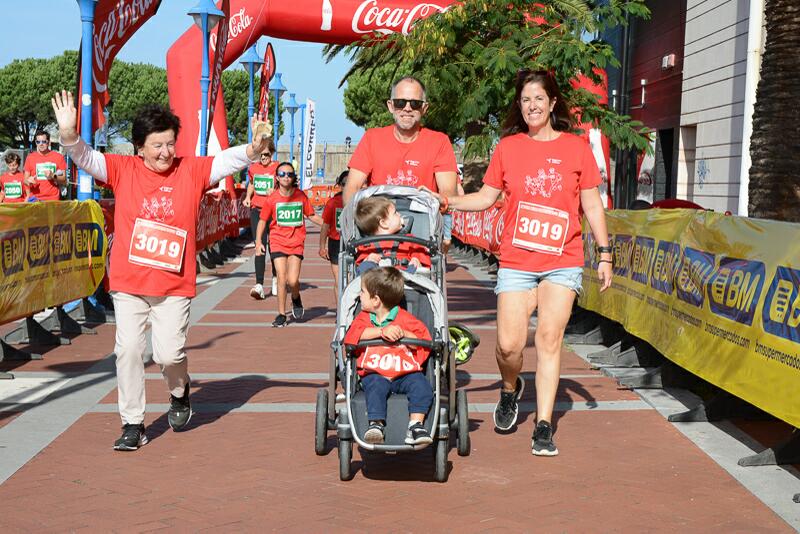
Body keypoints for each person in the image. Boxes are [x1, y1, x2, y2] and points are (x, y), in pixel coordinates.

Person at [51, 90, 272, 451]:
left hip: (173, 286)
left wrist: (252, 148)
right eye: (157, 146)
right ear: (139, 147)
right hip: (129, 282)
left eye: (170, 144)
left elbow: (225, 162)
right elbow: (86, 158)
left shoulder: (191, 170)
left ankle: (179, 390)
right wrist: (69, 135)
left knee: (169, 354)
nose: (165, 152)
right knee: (129, 351)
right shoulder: (123, 170)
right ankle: (133, 424)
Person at [427, 70, 613, 456]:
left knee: (549, 338)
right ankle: (510, 388)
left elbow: (592, 204)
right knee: (509, 347)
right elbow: (486, 197)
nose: (532, 106)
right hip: (516, 262)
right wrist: (448, 202)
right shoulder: (508, 147)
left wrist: (605, 252)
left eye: (539, 99)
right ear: (520, 105)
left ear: (553, 103)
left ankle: (543, 426)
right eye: (525, 100)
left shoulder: (577, 148)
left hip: (563, 259)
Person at [342, 267, 433, 445]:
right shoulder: (363, 318)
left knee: (422, 386)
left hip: (404, 372)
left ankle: (416, 425)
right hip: (375, 371)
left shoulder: (406, 319)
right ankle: (375, 424)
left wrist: (405, 334)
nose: (359, 296)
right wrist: (381, 331)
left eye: (362, 292)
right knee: (375, 386)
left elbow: (424, 340)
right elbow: (353, 336)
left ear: (375, 300)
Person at [342, 76, 458, 204]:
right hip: (380, 221)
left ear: (424, 108)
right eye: (400, 103)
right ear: (391, 106)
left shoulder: (439, 142)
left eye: (415, 104)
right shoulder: (372, 138)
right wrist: (354, 217)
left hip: (423, 220)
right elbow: (352, 187)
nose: (407, 108)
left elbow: (448, 193)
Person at [254, 162, 323, 327]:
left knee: (293, 281)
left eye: (290, 174)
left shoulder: (300, 196)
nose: (286, 177)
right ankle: (281, 314)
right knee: (281, 278)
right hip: (277, 241)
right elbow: (262, 221)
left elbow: (311, 216)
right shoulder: (272, 199)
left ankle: (296, 297)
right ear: (277, 177)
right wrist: (258, 242)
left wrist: (330, 225)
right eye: (283, 174)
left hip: (296, 242)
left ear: (294, 178)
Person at [354, 196, 431, 275]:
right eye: (395, 213)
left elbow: (421, 254)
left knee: (415, 269)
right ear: (384, 223)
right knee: (365, 266)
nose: (399, 214)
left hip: (404, 277)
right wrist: (369, 259)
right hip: (377, 279)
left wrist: (416, 259)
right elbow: (359, 265)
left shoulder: (409, 240)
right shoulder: (367, 245)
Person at [243, 141, 279, 299]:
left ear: (272, 154)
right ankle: (259, 284)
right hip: (257, 210)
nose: (263, 157)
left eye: (267, 154)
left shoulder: (278, 168)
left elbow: (288, 186)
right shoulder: (253, 168)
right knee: (259, 245)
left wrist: (276, 190)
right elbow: (251, 183)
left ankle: (276, 278)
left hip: (273, 212)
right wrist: (248, 197)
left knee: (275, 247)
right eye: (261, 155)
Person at [319, 170, 348, 300]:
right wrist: (321, 246)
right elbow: (325, 226)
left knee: (352, 279)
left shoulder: (361, 201)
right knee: (339, 280)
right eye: (344, 184)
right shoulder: (333, 203)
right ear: (340, 186)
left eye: (350, 183)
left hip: (354, 243)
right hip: (336, 243)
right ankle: (339, 312)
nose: (347, 187)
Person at [23, 130, 67, 201]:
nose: (41, 144)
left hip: (52, 199)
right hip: (34, 199)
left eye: (44, 141)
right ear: (36, 143)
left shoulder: (58, 157)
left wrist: (52, 175)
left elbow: (64, 180)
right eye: (38, 142)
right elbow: (25, 180)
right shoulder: (30, 157)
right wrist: (29, 181)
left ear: (49, 142)